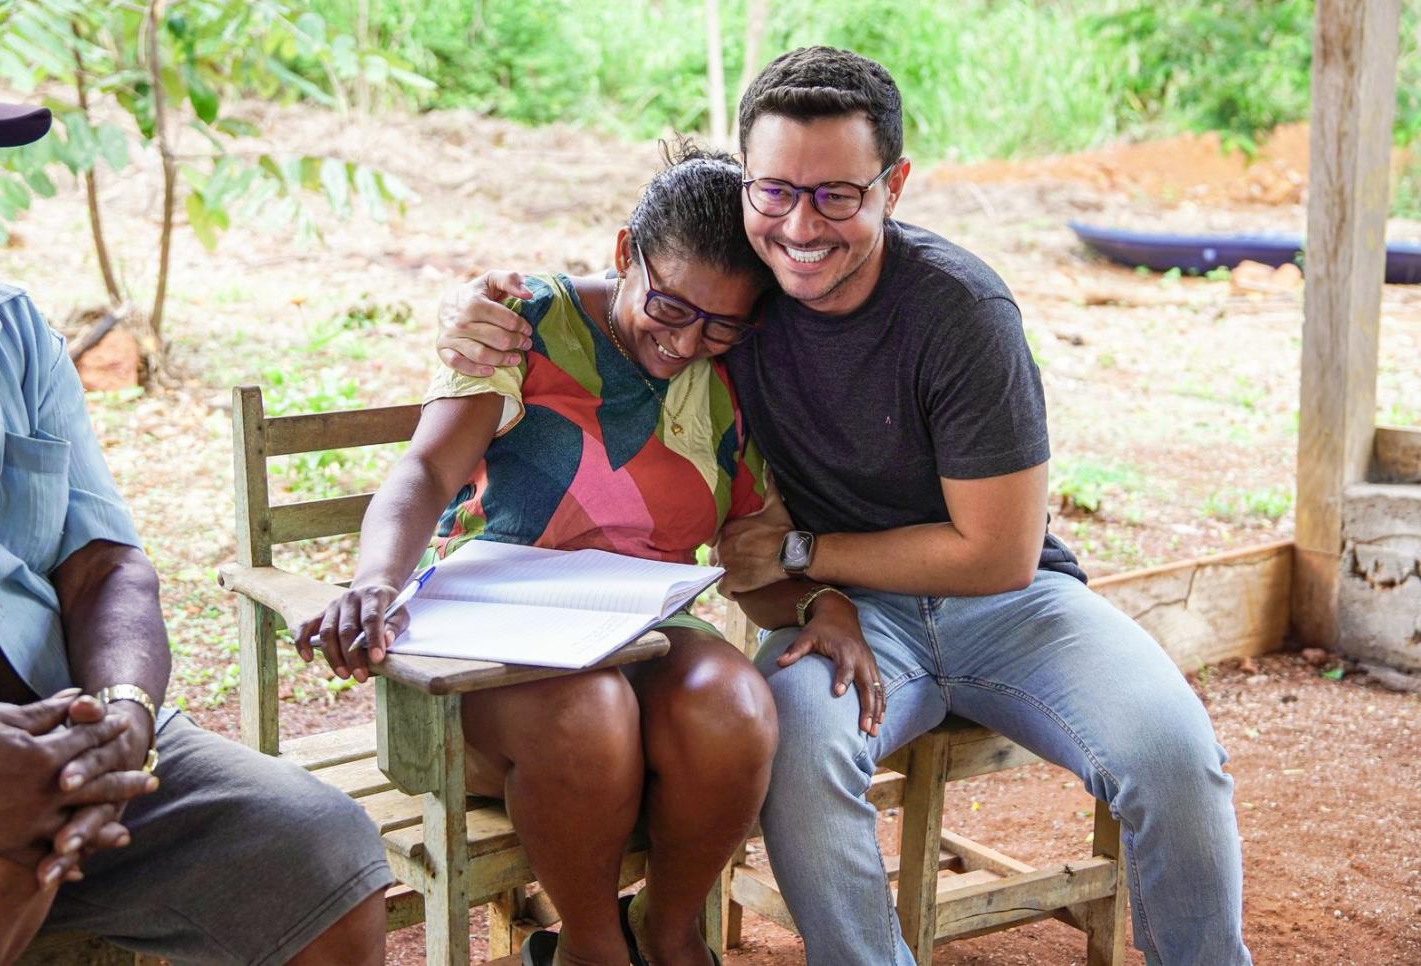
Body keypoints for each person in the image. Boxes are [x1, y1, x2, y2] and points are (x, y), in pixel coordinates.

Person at [434, 48, 1252, 966]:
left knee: (1175, 759)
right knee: (799, 756)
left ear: (892, 186)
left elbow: (1000, 556)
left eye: (835, 195)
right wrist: (482, 306)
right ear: (746, 186)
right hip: (848, 623)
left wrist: (800, 559)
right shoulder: (730, 296)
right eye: (775, 191)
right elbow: (626, 300)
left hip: (1012, 611)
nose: (800, 227)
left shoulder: (959, 309)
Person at [294, 142, 780, 966]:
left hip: (639, 638)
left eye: (722, 324)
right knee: (587, 711)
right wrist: (375, 580)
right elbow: (425, 469)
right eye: (669, 309)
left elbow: (755, 547)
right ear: (627, 252)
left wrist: (821, 605)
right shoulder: (526, 324)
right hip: (488, 659)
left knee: (734, 706)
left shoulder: (733, 371)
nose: (687, 344)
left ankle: (667, 932)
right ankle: (592, 946)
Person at [0, 100, 392, 965]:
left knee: (322, 846)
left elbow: (105, 565)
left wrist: (125, 720)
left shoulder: (9, 331)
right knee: (0, 868)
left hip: (76, 750)